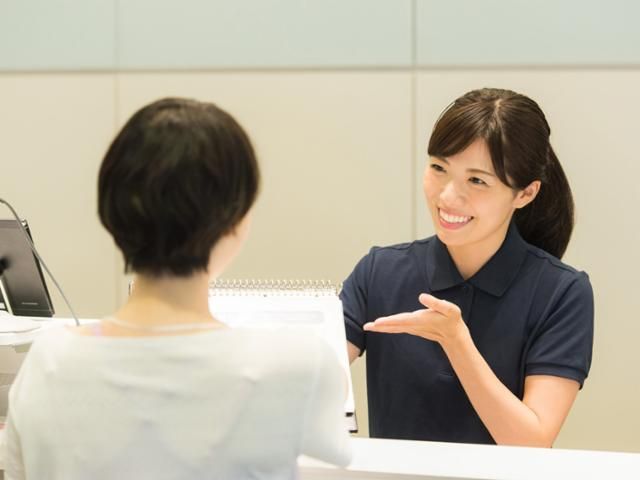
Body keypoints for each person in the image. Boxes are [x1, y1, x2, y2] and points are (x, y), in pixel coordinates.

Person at [4, 98, 351, 479]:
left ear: (111, 214)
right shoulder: (297, 366)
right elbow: (337, 452)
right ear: (236, 221)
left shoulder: (48, 365)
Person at [341, 88, 594, 447]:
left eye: (477, 180)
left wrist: (456, 341)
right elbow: (313, 375)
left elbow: (532, 443)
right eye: (438, 168)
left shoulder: (562, 293)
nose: (447, 196)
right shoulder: (379, 272)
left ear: (526, 193)